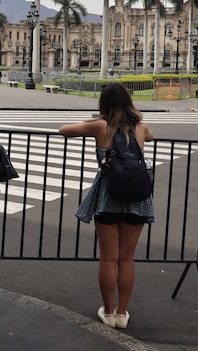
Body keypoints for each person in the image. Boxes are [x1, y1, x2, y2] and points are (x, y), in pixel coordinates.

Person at [58, 83, 154, 330]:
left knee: (109, 258)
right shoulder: (141, 128)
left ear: (104, 104)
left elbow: (64, 130)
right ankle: (122, 313)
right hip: (138, 199)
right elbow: (151, 136)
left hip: (108, 196)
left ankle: (108, 311)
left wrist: (97, 119)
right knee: (127, 259)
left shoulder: (101, 126)